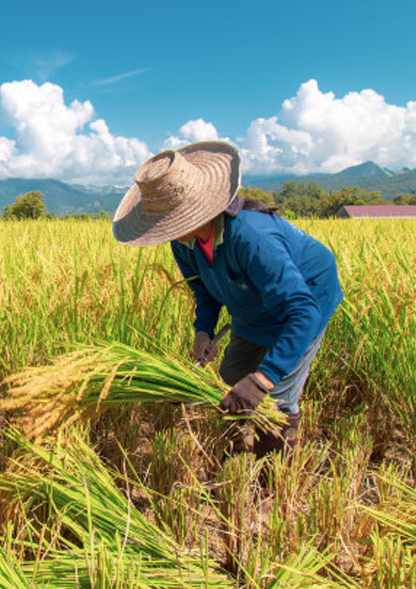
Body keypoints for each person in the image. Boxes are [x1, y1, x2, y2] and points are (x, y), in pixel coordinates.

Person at [111, 142, 343, 458]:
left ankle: (272, 476)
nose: (168, 231)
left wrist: (263, 380)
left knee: (274, 398)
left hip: (307, 297)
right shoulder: (183, 241)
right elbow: (204, 290)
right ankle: (236, 451)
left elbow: (303, 312)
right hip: (250, 301)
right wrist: (203, 331)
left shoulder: (252, 237)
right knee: (232, 378)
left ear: (198, 209)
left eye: (172, 221)